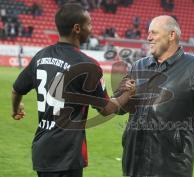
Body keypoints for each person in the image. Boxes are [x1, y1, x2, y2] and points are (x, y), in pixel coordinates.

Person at [11, 3, 135, 177]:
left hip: (42, 152)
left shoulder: (40, 56)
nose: (91, 29)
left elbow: (17, 90)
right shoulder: (88, 65)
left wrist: (16, 109)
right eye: (89, 24)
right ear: (77, 28)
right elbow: (107, 109)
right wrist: (127, 94)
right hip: (67, 155)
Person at [116, 15, 194, 177]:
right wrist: (114, 98)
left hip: (170, 165)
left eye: (154, 33)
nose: (148, 38)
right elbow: (119, 105)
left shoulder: (193, 68)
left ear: (172, 35)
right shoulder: (139, 66)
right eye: (148, 33)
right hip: (134, 161)